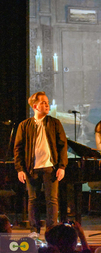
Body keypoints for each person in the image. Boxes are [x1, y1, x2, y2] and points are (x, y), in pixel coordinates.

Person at [14, 91, 68, 234]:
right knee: (33, 200)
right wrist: (20, 169)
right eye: (43, 102)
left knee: (52, 200)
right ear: (35, 106)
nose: (47, 105)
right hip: (32, 169)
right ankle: (34, 230)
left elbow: (63, 146)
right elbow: (18, 149)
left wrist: (62, 166)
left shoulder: (54, 123)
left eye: (47, 102)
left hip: (51, 168)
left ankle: (52, 231)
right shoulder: (24, 125)